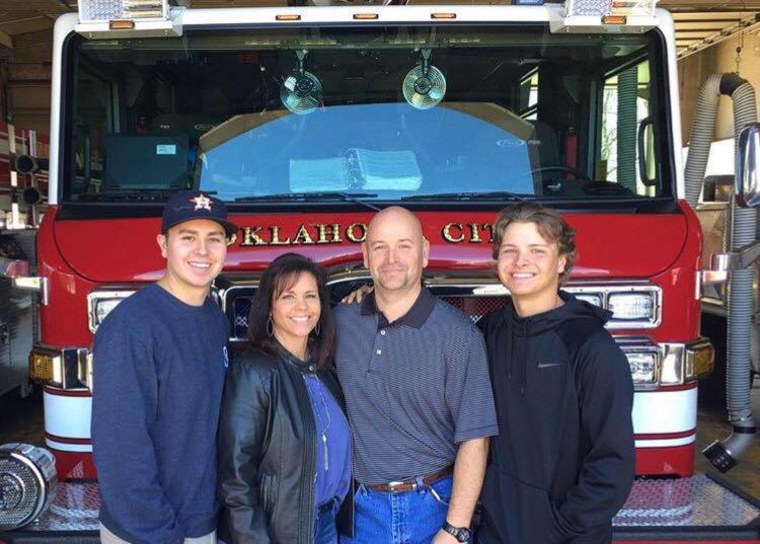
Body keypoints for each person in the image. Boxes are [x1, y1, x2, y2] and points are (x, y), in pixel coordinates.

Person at [335, 206, 498, 544]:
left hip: (433, 508)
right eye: (379, 246)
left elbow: (475, 440)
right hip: (358, 512)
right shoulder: (340, 322)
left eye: (403, 245)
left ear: (425, 252)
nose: (391, 257)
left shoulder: (459, 335)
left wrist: (455, 528)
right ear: (365, 256)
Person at [478, 202, 635, 544]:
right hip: (495, 531)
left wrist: (562, 528)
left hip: (564, 536)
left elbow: (612, 462)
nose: (521, 262)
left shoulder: (591, 348)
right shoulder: (489, 333)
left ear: (562, 260)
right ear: (497, 261)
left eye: (537, 250)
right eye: (510, 250)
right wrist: (370, 300)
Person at [91, 190, 237, 544]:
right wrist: (158, 532)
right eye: (188, 238)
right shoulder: (131, 327)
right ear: (163, 245)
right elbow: (120, 446)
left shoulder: (214, 319)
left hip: (200, 520)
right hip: (147, 531)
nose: (202, 251)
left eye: (213, 239)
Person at [217, 252, 352, 544]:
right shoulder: (254, 371)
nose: (302, 306)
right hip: (278, 531)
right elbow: (235, 476)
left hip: (326, 525)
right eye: (288, 296)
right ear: (269, 307)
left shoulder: (325, 370)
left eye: (310, 296)